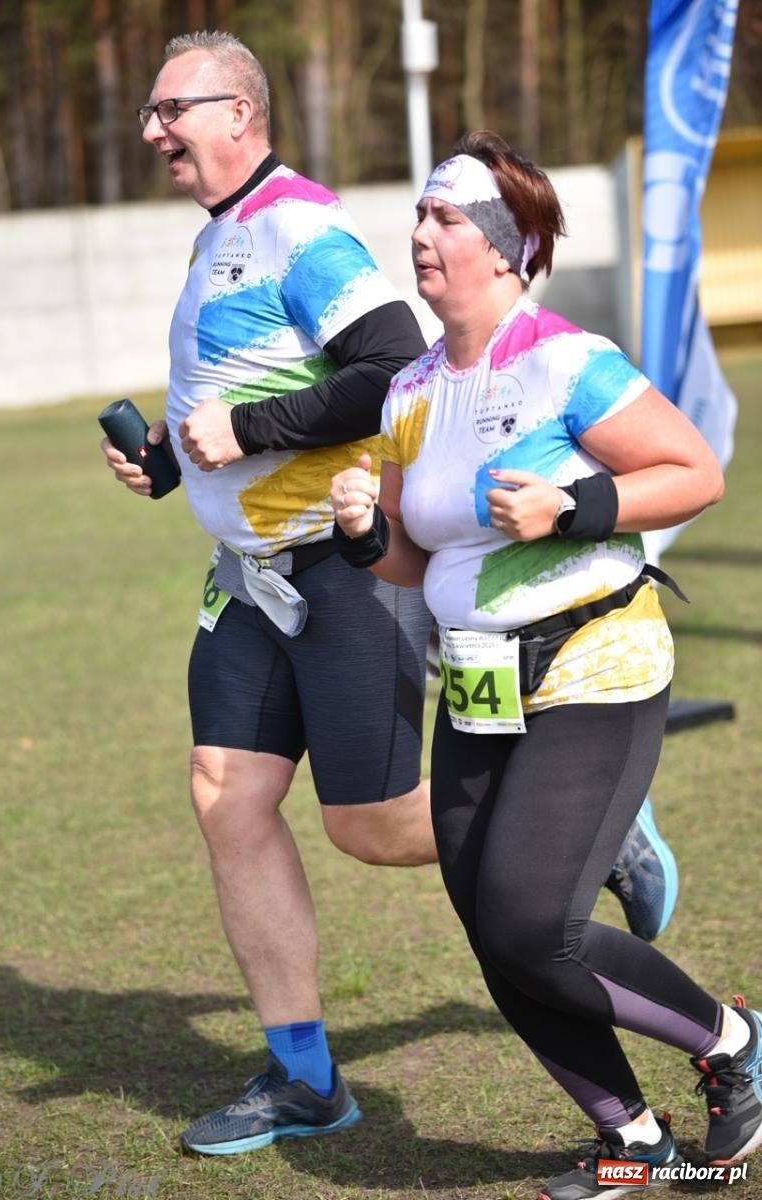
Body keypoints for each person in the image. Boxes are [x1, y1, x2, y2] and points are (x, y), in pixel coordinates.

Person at [102, 31, 677, 1158]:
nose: (154, 130)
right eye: (150, 112)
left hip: (340, 570)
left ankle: (598, 838)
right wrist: (175, 457)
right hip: (245, 585)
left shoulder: (298, 230)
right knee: (225, 795)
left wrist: (250, 429)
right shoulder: (216, 239)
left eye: (174, 108)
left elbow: (383, 367)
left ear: (241, 113)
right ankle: (305, 1078)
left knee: (366, 829)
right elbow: (246, 391)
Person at [331, 131, 762, 1200]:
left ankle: (739, 1043)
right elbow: (412, 554)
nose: (421, 233)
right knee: (494, 931)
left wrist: (576, 505)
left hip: (593, 664)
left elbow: (692, 470)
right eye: (421, 215)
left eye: (445, 218)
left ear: (507, 245)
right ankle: (635, 1140)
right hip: (477, 682)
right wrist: (353, 532)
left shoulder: (567, 359)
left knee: (536, 922)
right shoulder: (410, 392)